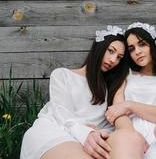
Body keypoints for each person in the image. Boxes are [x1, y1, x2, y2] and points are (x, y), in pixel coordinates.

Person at [20, 26, 146, 159]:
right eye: (110, 51)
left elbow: (111, 123)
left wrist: (99, 132)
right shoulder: (62, 75)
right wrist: (87, 132)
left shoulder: (110, 87)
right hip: (56, 130)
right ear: (99, 47)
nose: (113, 60)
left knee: (128, 141)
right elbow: (63, 116)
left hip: (95, 138)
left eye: (119, 57)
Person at [105, 23, 156, 159]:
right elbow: (116, 112)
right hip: (129, 131)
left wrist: (130, 106)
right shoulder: (126, 76)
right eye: (131, 49)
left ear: (151, 45)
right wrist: (132, 136)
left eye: (142, 44)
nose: (137, 52)